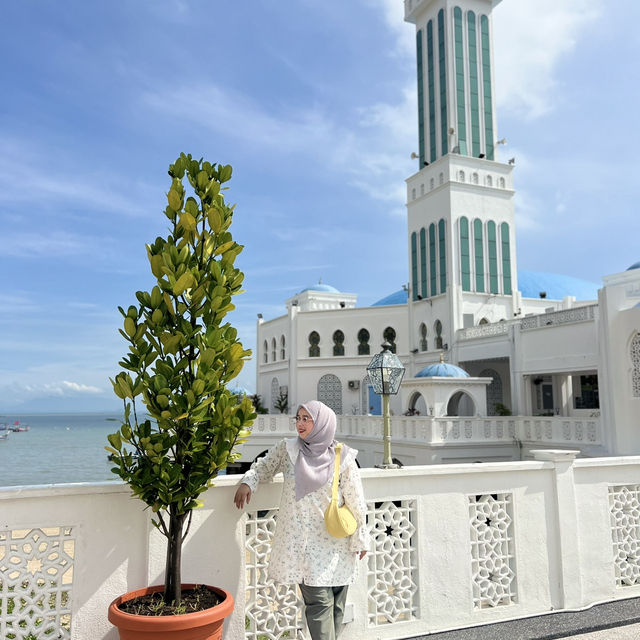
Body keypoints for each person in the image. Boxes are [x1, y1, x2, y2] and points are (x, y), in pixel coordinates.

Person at [234, 400, 370, 640]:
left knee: (337, 606)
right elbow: (263, 468)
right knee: (319, 604)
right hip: (305, 545)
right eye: (298, 418)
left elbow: (356, 501)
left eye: (307, 418)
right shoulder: (288, 450)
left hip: (337, 543)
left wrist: (361, 539)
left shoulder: (343, 456)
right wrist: (248, 481)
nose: (300, 423)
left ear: (323, 423)